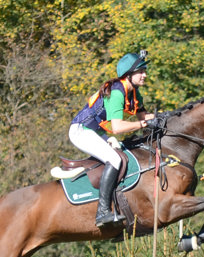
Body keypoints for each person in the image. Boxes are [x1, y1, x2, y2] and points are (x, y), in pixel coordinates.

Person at [64, 50, 156, 227]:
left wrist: (166, 118)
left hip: (97, 132)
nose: (145, 75)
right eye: (141, 72)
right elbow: (118, 127)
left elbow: (144, 117)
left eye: (145, 71)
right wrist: (142, 125)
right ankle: (102, 212)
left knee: (124, 153)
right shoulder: (117, 92)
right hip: (80, 131)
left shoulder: (135, 94)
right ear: (128, 75)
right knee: (114, 159)